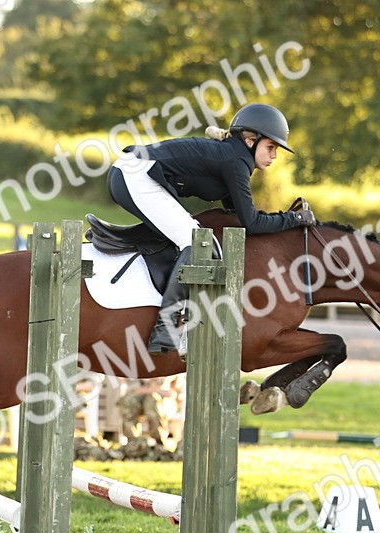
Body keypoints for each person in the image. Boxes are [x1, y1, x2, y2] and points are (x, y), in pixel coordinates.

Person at [106, 103, 316, 355]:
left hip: (131, 172)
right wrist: (294, 219)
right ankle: (166, 329)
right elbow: (253, 222)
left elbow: (241, 218)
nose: (274, 156)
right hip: (135, 175)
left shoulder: (233, 158)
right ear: (250, 140)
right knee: (198, 243)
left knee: (193, 237)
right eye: (271, 147)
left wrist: (283, 222)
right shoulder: (236, 161)